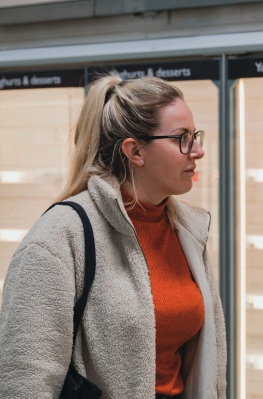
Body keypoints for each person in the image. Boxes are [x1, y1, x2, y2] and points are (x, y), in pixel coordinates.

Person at [0, 73, 227, 398]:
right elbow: (25, 381)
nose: (199, 150)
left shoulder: (188, 231)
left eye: (196, 135)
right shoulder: (60, 237)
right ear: (135, 152)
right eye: (182, 138)